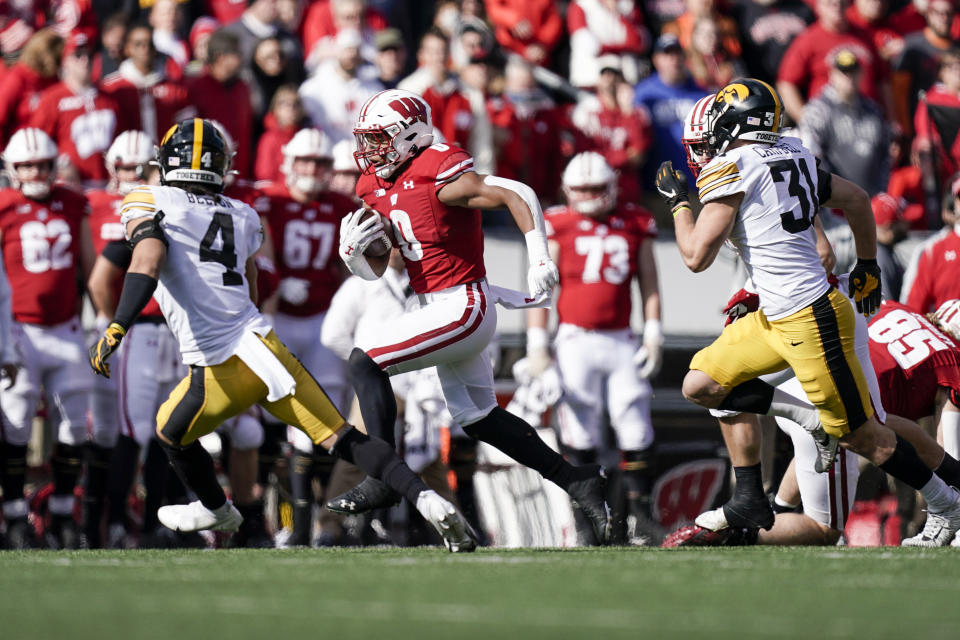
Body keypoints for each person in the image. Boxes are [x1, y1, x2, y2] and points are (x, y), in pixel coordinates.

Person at [87, 118, 477, 552]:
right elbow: (251, 279)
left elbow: (148, 259)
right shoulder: (242, 213)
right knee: (344, 439)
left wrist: (118, 323)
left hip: (219, 365)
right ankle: (428, 501)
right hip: (266, 348)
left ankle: (217, 509)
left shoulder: (147, 198)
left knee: (168, 431)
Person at [654, 78, 960, 545]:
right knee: (703, 384)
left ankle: (946, 503)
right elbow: (858, 199)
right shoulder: (793, 151)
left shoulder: (733, 165)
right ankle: (762, 479)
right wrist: (869, 264)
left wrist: (678, 204)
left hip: (809, 316)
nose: (710, 134)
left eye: (718, 120)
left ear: (736, 122)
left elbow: (696, 257)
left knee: (863, 436)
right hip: (777, 315)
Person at [324, 89, 613, 544]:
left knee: (365, 361)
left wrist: (538, 256)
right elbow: (380, 265)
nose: (370, 150)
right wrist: (354, 257)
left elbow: (516, 192)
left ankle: (382, 475)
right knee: (477, 416)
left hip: (463, 303)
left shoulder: (436, 170)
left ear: (411, 137)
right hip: (436, 308)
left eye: (379, 139)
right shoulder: (373, 185)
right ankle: (576, 479)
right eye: (367, 139)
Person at [527, 152, 662, 545]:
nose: (588, 196)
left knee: (635, 422)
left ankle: (639, 517)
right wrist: (538, 345)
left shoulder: (635, 221)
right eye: (581, 189)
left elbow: (649, 283)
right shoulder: (557, 224)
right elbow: (544, 290)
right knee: (579, 428)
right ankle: (587, 517)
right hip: (574, 339)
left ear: (613, 186)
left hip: (621, 337)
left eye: (595, 188)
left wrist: (653, 332)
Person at [255, 127, 355, 543]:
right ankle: (280, 520)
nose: (312, 169)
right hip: (281, 317)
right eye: (305, 161)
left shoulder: (339, 205)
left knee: (325, 422)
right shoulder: (270, 200)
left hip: (323, 320)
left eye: (319, 162)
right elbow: (258, 252)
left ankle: (318, 522)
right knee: (272, 422)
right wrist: (276, 282)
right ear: (288, 164)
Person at [0, 128, 95, 549]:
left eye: (42, 164)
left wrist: (103, 318)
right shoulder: (3, 206)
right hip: (19, 329)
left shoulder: (73, 202)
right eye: (27, 165)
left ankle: (60, 512)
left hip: (66, 328)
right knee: (16, 424)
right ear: (12, 169)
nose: (36, 171)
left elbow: (91, 266)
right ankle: (15, 514)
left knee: (75, 426)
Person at [84, 129, 158, 548]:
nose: (131, 173)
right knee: (104, 429)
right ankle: (94, 523)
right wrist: (106, 319)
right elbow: (90, 270)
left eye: (139, 166)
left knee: (150, 429)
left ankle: (139, 518)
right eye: (125, 166)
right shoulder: (90, 203)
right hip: (110, 324)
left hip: (153, 326)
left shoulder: (157, 201)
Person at [30, 31, 125, 188]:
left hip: (110, 185)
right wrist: (61, 163)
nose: (85, 60)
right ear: (64, 61)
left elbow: (121, 137)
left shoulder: (108, 99)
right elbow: (37, 141)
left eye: (89, 54)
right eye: (78, 55)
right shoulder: (52, 99)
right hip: (71, 187)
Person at [799, 49, 891, 197]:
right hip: (835, 204)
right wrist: (828, 194)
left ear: (861, 74)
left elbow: (885, 153)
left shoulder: (873, 109)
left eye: (853, 72)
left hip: (870, 200)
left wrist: (882, 192)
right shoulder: (818, 110)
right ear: (832, 75)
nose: (849, 77)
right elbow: (809, 154)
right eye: (843, 72)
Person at [100, 23, 195, 143]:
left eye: (149, 44)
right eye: (138, 44)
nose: (145, 48)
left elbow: (187, 128)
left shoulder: (174, 88)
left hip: (165, 156)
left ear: (155, 48)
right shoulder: (112, 88)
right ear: (127, 49)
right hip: (128, 158)